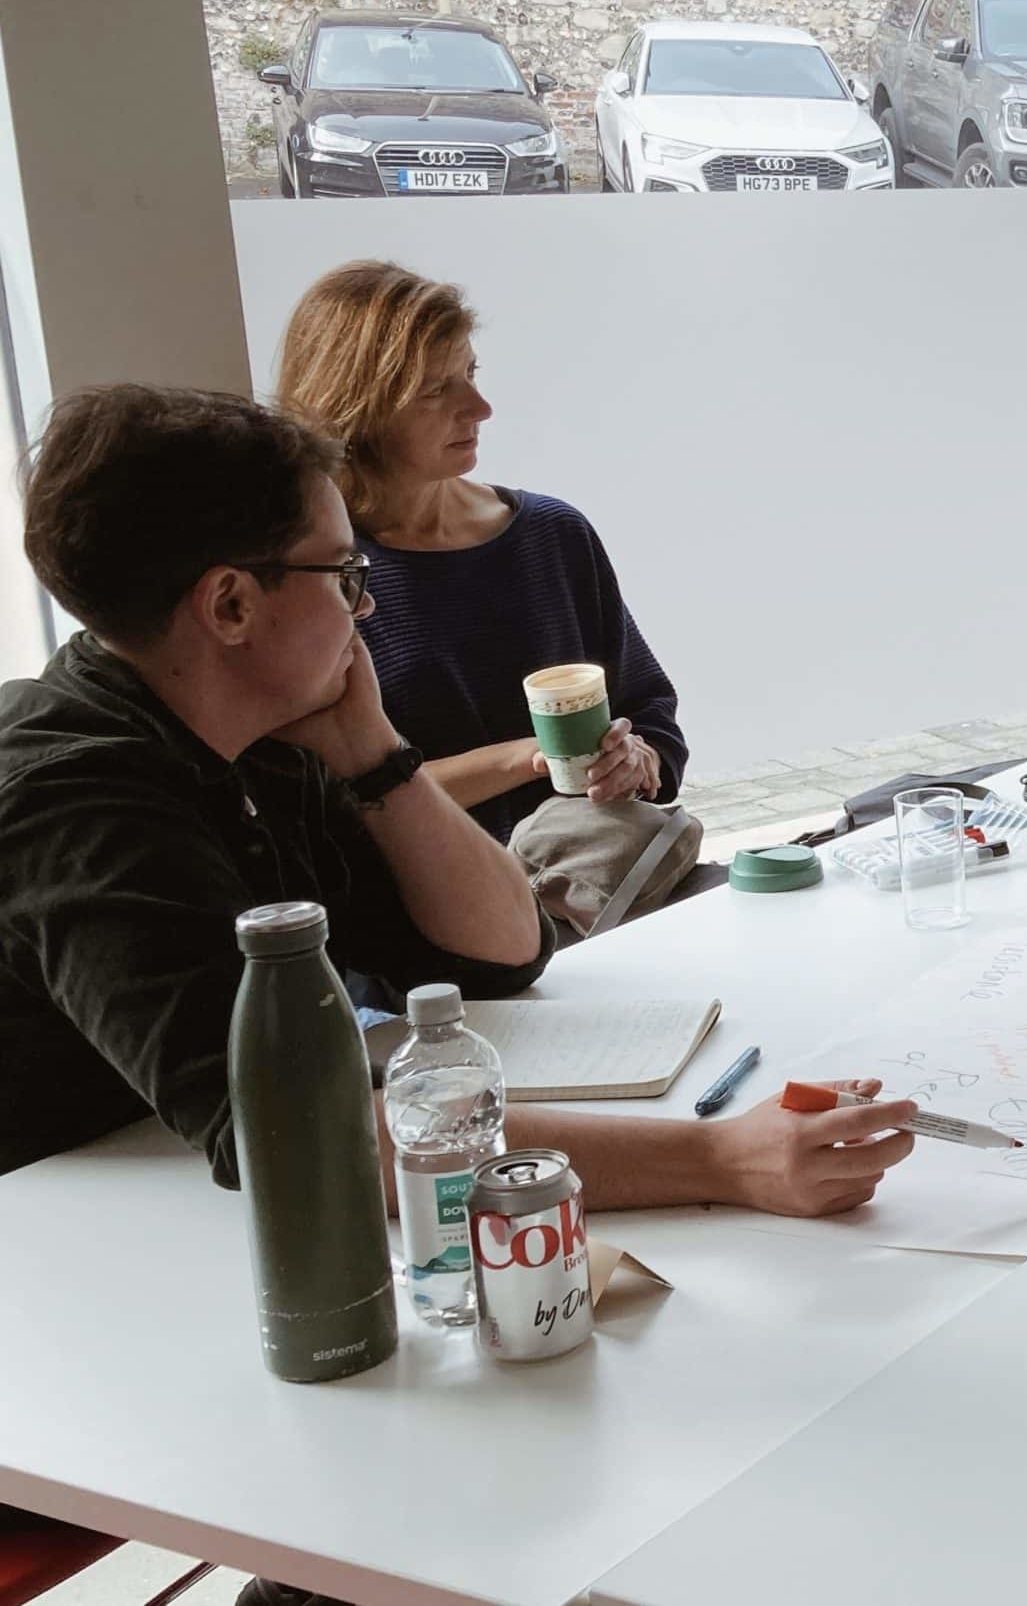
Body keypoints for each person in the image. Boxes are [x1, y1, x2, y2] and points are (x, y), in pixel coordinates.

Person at [0, 385, 920, 1224]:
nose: (363, 611)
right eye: (344, 574)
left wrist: (375, 756)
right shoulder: (81, 808)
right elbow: (297, 1141)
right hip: (62, 1240)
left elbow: (500, 954)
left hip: (151, 1189)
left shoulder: (267, 738)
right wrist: (718, 1157)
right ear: (231, 607)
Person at [275, 260, 683, 843]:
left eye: (471, 370)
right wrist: (526, 758)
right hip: (418, 924)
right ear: (355, 405)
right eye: (436, 389)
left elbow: (649, 709)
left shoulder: (553, 534)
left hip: (599, 897)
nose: (480, 406)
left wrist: (639, 762)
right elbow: (324, 800)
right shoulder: (311, 577)